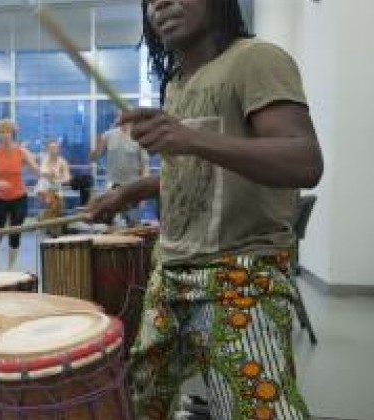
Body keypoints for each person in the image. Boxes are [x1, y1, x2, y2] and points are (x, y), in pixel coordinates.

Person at [85, 1, 323, 419]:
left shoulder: (255, 59)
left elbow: (304, 160)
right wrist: (130, 192)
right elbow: (196, 169)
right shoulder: (175, 82)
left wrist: (190, 139)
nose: (161, 2)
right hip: (171, 271)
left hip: (241, 276)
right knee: (141, 404)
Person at [0, 118, 39, 271]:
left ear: (13, 134)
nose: (5, 135)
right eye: (2, 132)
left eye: (8, 131)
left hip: (19, 197)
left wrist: (48, 174)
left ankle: (10, 269)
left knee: (15, 234)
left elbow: (36, 169)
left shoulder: (21, 151)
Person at [90, 123, 149, 227]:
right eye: (120, 114)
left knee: (133, 223)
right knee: (109, 222)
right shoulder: (108, 135)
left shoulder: (139, 137)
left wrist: (143, 194)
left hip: (133, 186)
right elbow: (94, 158)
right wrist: (96, 146)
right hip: (113, 186)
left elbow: (145, 167)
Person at [36, 139, 71, 236]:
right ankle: (52, 227)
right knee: (54, 203)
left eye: (55, 148)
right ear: (47, 149)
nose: (53, 150)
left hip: (56, 188)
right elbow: (36, 169)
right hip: (43, 188)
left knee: (59, 205)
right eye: (51, 148)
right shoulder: (42, 158)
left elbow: (67, 177)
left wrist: (59, 180)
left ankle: (46, 221)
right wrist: (46, 175)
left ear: (59, 149)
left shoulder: (62, 161)